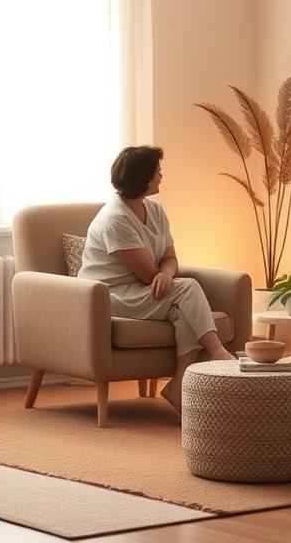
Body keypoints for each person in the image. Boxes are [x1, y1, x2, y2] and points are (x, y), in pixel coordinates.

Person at [78, 145, 235, 412]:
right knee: (188, 288)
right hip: (109, 296)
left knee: (184, 311)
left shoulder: (156, 210)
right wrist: (161, 273)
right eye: (157, 171)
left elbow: (170, 259)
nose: (161, 175)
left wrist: (165, 272)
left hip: (140, 291)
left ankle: (178, 386)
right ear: (143, 179)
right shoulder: (115, 219)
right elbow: (147, 275)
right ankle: (218, 352)